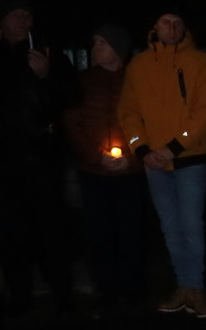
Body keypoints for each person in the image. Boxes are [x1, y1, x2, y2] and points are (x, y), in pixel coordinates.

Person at [0, 0, 78, 317]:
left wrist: (46, 76)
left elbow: (72, 97)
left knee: (53, 232)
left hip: (44, 162)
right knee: (11, 235)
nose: (23, 19)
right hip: (3, 165)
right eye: (15, 14)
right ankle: (18, 296)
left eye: (26, 13)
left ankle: (63, 296)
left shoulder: (49, 55)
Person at [119, 9, 206, 317]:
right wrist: (142, 148)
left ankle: (195, 288)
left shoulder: (200, 62)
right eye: (166, 21)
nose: (173, 27)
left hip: (189, 158)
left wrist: (173, 147)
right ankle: (183, 286)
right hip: (154, 162)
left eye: (178, 22)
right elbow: (129, 112)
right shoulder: (138, 66)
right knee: (170, 227)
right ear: (154, 27)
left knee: (190, 225)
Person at [63, 23, 148, 312]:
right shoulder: (83, 81)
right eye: (94, 42)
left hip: (130, 173)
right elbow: (73, 124)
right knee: (99, 233)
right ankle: (107, 291)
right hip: (94, 173)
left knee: (131, 231)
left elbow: (149, 124)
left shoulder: (137, 80)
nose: (94, 48)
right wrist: (96, 156)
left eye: (101, 42)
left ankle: (132, 290)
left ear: (117, 49)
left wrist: (134, 158)